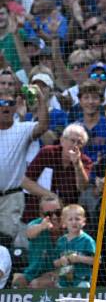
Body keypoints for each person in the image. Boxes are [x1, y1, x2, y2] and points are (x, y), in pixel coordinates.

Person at [0, 79, 49, 245]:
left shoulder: (22, 129)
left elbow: (43, 126)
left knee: (6, 241)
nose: (5, 106)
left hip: (11, 196)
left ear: (15, 106)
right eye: (1, 102)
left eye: (9, 103)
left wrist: (41, 99)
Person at [10, 195, 63, 289]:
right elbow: (29, 233)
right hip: (33, 273)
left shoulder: (69, 225)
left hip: (60, 273)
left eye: (58, 212)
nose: (54, 217)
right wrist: (42, 226)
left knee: (36, 284)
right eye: (49, 214)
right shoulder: (37, 224)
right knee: (17, 282)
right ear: (41, 215)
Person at [52, 204, 95, 288]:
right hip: (63, 282)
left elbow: (97, 260)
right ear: (64, 223)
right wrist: (61, 261)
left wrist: (78, 258)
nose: (74, 222)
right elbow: (54, 262)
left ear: (84, 222)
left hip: (81, 282)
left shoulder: (87, 240)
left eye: (77, 219)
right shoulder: (61, 241)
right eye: (70, 219)